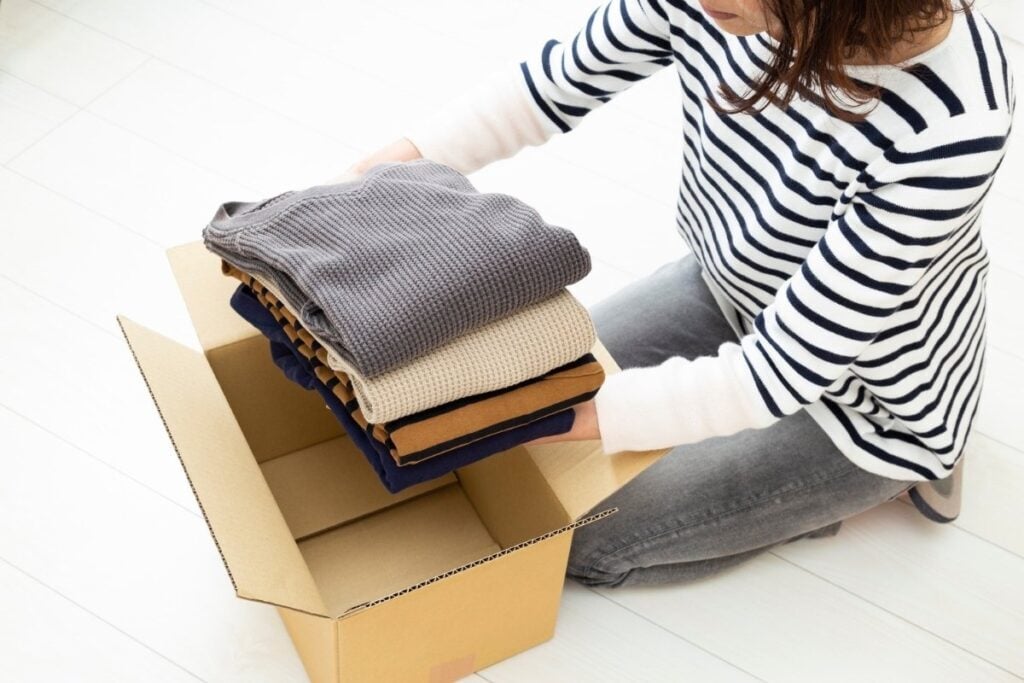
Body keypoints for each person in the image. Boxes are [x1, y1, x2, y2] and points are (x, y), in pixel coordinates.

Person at [345, 0, 1013, 587]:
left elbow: (774, 375)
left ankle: (883, 479)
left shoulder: (953, 117)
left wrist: (535, 418)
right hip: (728, 290)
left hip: (864, 403)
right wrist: (352, 190)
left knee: (572, 532)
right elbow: (544, 90)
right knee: (522, 411)